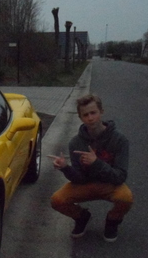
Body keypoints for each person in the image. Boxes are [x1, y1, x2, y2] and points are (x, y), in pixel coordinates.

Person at [48, 94, 133, 242]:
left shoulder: (119, 140)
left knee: (126, 198)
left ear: (101, 112)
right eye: (85, 115)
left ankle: (112, 221)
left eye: (93, 113)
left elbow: (120, 177)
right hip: (86, 184)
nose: (90, 118)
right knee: (57, 200)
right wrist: (65, 167)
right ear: (80, 118)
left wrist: (96, 163)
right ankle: (82, 217)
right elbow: (79, 179)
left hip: (110, 184)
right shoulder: (75, 143)